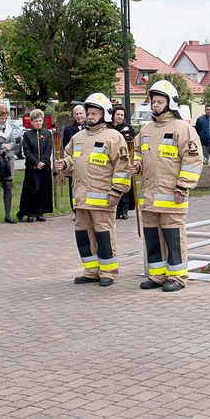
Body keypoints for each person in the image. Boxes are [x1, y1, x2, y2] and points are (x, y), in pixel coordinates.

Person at [131, 80, 203, 292]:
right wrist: (136, 165)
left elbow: (193, 161)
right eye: (153, 101)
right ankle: (157, 276)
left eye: (159, 102)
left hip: (173, 196)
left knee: (173, 238)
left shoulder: (183, 129)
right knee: (153, 238)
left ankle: (177, 276)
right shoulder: (145, 130)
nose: (155, 105)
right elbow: (136, 153)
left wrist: (183, 187)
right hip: (149, 197)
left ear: (170, 103)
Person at [56, 93, 131, 286]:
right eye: (88, 112)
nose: (89, 116)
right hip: (80, 199)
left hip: (103, 199)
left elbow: (122, 168)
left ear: (104, 114)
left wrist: (117, 191)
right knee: (82, 234)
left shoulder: (114, 137)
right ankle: (91, 270)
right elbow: (72, 160)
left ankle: (108, 272)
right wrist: (64, 165)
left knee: (104, 235)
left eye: (94, 113)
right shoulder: (77, 137)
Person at [17, 109, 54, 222]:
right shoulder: (27, 135)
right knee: (33, 189)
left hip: (45, 166)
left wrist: (43, 161)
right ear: (31, 122)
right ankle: (30, 212)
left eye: (40, 120)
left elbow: (49, 148)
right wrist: (35, 162)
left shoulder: (47, 134)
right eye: (36, 121)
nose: (38, 123)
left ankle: (40, 212)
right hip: (32, 167)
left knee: (43, 189)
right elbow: (26, 150)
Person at [109, 104, 135, 219]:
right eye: (117, 114)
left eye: (121, 115)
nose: (119, 117)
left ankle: (124, 211)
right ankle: (116, 209)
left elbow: (131, 142)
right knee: (113, 185)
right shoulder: (109, 128)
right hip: (112, 160)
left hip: (124, 159)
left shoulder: (128, 128)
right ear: (113, 115)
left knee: (123, 185)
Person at [61, 105, 86, 214]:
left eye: (81, 113)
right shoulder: (68, 130)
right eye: (77, 114)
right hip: (74, 163)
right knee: (74, 187)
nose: (79, 116)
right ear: (73, 115)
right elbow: (66, 147)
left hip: (86, 162)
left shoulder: (90, 127)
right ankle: (75, 209)